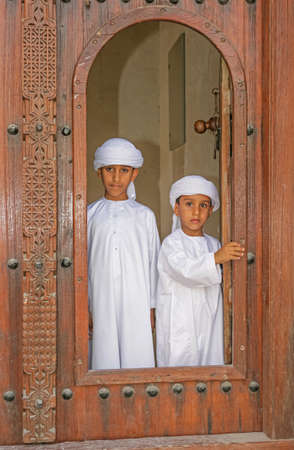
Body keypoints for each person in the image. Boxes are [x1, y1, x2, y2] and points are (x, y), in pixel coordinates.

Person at [156, 175, 244, 367]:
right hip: (180, 322)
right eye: (189, 204)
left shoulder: (214, 244)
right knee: (180, 374)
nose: (196, 211)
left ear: (211, 210)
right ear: (176, 208)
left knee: (210, 368)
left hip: (210, 320)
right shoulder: (171, 244)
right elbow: (186, 271)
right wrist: (216, 258)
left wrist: (218, 255)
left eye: (203, 205)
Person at [87, 138, 160, 370]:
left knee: (136, 355)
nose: (116, 178)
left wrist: (152, 307)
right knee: (103, 354)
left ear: (134, 174)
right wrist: (85, 305)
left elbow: (154, 264)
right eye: (110, 170)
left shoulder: (145, 215)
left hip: (136, 300)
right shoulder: (89, 214)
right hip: (100, 298)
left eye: (124, 170)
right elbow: (82, 264)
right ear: (99, 172)